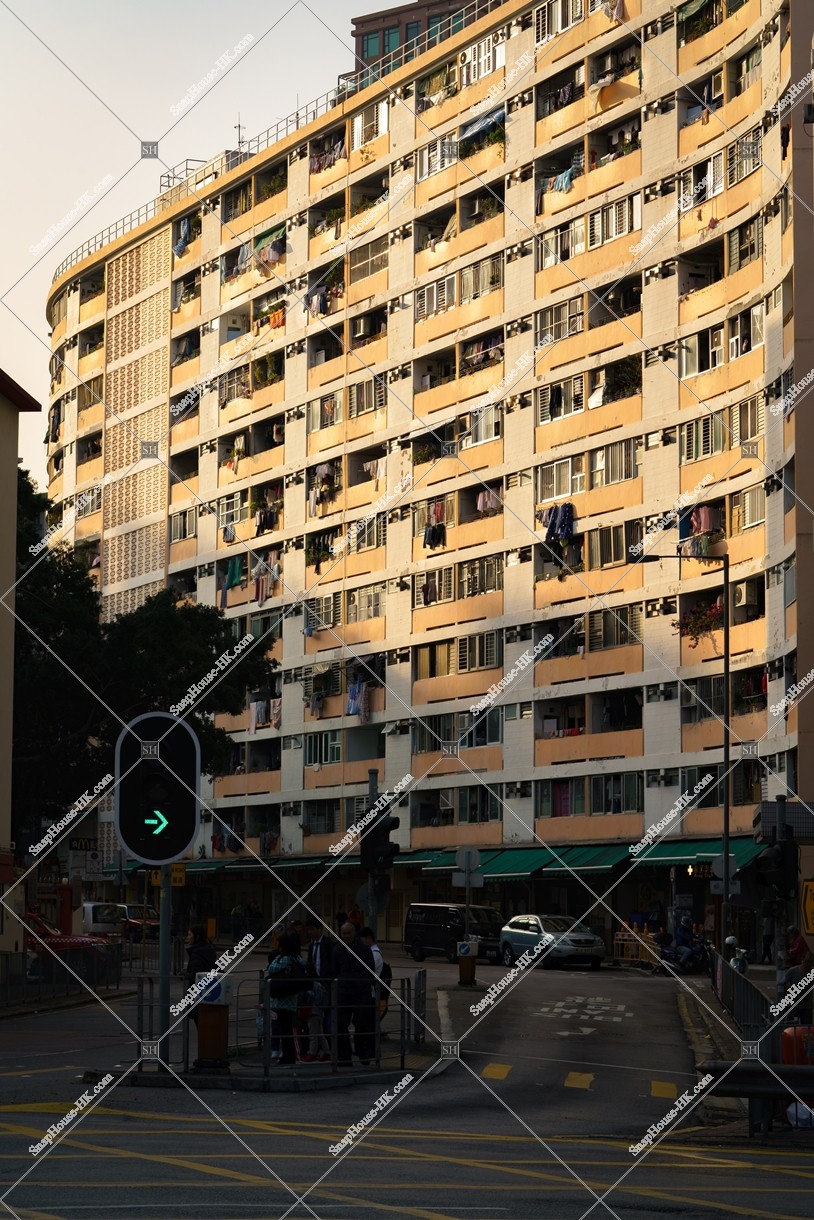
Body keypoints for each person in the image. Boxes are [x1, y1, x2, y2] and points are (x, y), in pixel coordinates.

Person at [333, 921, 376, 1066]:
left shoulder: (364, 950)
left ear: (354, 933)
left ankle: (362, 1052)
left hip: (361, 992)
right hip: (343, 992)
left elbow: (371, 970)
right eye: (343, 933)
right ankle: (345, 1057)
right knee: (340, 1024)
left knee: (361, 1024)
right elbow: (334, 970)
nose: (346, 936)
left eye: (348, 933)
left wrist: (363, 983)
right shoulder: (337, 949)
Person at [265, 933, 305, 1065]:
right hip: (291, 998)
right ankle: (289, 1056)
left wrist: (276, 957)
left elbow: (271, 968)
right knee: (287, 1029)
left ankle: (288, 1057)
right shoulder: (297, 958)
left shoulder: (285, 959)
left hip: (282, 999)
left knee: (284, 1030)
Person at [303, 918, 332, 1062]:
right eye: (308, 930)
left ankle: (314, 1050)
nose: (310, 932)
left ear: (320, 929)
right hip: (315, 984)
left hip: (325, 985)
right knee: (315, 1019)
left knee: (316, 1018)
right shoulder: (311, 945)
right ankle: (325, 1050)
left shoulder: (328, 944)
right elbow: (310, 962)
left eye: (312, 929)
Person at [185, 926, 216, 1026]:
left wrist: (187, 975)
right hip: (210, 995)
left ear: (196, 937)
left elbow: (195, 975)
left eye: (190, 935)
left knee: (202, 1028)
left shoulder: (197, 954)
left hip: (198, 997)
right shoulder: (209, 950)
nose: (187, 937)